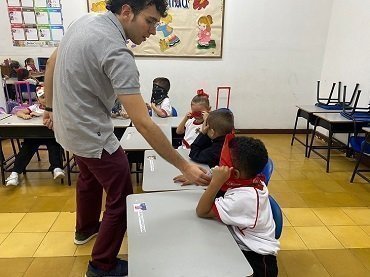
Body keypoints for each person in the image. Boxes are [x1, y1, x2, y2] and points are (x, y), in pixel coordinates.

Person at [42, 1, 210, 276]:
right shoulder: (118, 53)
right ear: (127, 11)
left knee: (88, 178)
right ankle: (102, 266)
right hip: (91, 133)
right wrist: (185, 166)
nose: (154, 31)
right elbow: (143, 123)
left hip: (67, 128)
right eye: (151, 21)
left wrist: (49, 109)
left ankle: (85, 230)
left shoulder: (84, 22)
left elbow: (51, 61)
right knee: (121, 197)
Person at [196, 136, 280, 277]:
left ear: (234, 173)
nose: (219, 167)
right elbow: (222, 176)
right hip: (242, 241)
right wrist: (200, 177)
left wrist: (215, 183)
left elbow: (202, 211)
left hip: (257, 259)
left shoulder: (245, 198)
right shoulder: (251, 179)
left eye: (223, 164)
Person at [5, 87, 65, 186]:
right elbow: (18, 112)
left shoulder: (56, 107)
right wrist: (25, 116)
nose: (45, 99)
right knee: (26, 149)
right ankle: (15, 173)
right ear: (38, 100)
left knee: (54, 147)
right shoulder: (34, 108)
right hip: (35, 135)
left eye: (48, 97)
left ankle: (56, 168)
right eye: (42, 97)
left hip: (51, 135)